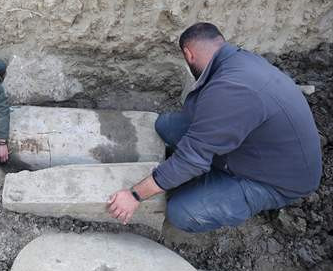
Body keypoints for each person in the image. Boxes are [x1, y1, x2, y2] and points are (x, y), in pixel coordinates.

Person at [108, 22, 322, 232]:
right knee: (166, 125)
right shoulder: (238, 61)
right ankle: (206, 170)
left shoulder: (231, 90)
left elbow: (190, 160)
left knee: (182, 211)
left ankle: (221, 187)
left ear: (188, 54)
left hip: (276, 179)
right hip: (258, 146)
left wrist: (135, 195)